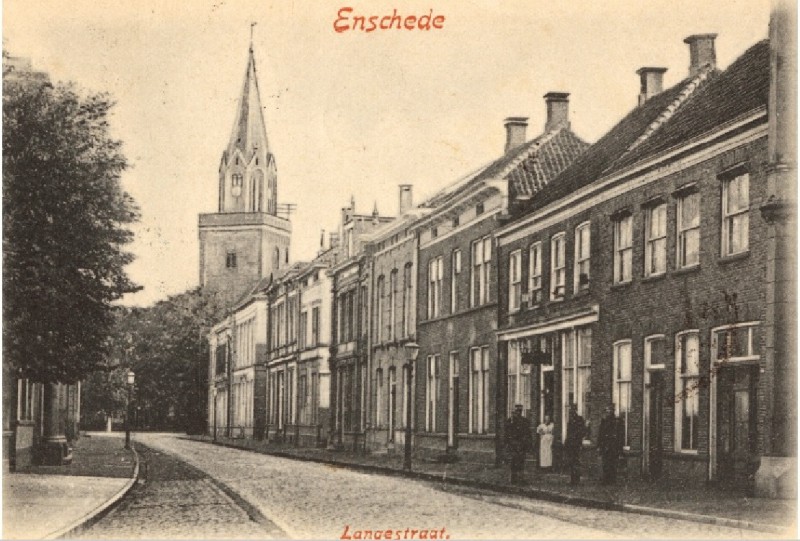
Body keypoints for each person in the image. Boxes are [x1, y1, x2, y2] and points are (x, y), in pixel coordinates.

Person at [504, 404, 532, 484]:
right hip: (514, 445)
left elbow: (528, 433)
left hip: (521, 445)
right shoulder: (510, 421)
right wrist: (508, 444)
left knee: (521, 461)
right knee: (514, 462)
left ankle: (520, 478)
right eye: (517, 411)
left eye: (520, 411)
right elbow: (507, 433)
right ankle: (514, 478)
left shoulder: (525, 421)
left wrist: (527, 444)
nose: (518, 413)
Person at [598, 405, 624, 485]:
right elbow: (600, 434)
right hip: (605, 446)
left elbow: (621, 435)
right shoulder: (604, 421)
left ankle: (612, 480)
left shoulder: (617, 422)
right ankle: (606, 480)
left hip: (613, 446)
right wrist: (599, 446)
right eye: (607, 411)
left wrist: (620, 447)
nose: (608, 412)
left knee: (612, 464)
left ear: (613, 411)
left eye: (609, 410)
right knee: (606, 463)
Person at [564, 404, 586, 485]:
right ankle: (573, 479)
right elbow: (568, 433)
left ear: (575, 410)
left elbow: (583, 431)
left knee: (576, 462)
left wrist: (578, 439)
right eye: (570, 410)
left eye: (572, 410)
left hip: (576, 444)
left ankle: (577, 479)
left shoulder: (579, 419)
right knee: (571, 462)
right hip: (570, 444)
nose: (571, 412)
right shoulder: (570, 420)